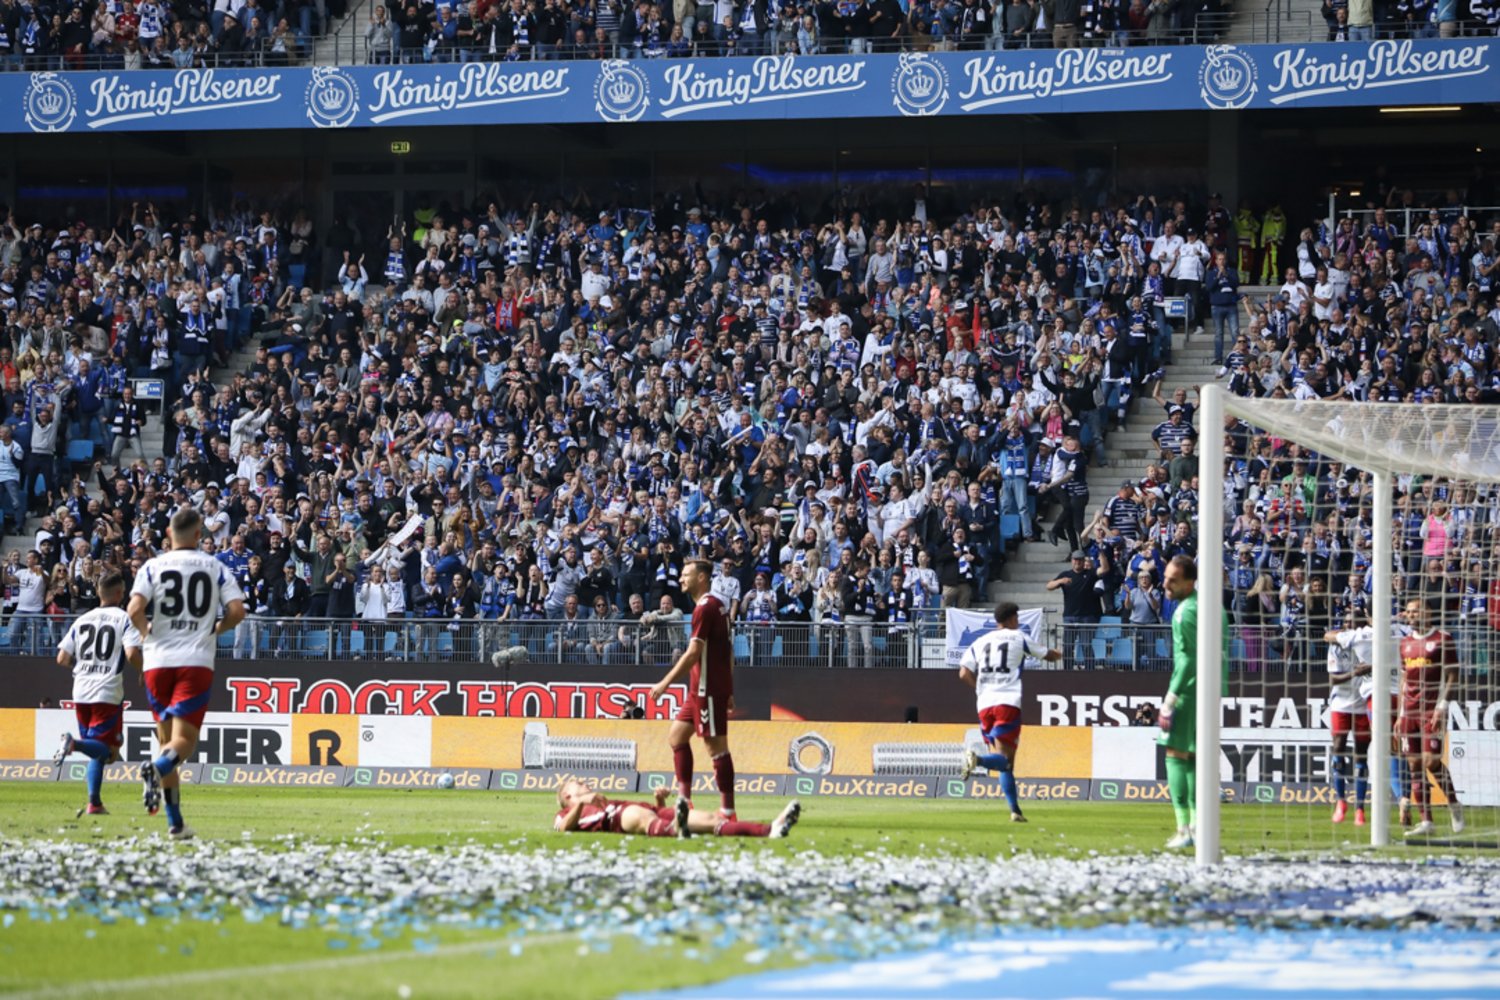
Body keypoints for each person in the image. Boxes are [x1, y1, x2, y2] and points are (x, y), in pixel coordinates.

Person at [127, 507, 246, 839]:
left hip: (156, 661)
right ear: (199, 535)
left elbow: (134, 609)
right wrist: (215, 629)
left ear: (168, 533)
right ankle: (156, 769)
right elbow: (237, 611)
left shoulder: (151, 567)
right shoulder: (214, 566)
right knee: (184, 744)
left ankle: (175, 822)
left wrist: (147, 634)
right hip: (193, 660)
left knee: (167, 742)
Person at [958, 601, 1062, 822]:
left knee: (1005, 762)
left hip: (984, 704)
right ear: (1012, 619)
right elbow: (1047, 655)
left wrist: (980, 688)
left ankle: (1015, 811)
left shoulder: (980, 641)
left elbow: (963, 673)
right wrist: (1058, 654)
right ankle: (977, 760)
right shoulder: (1018, 637)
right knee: (1004, 760)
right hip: (1007, 701)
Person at [650, 558, 737, 818]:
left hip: (706, 689)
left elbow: (692, 653)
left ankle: (728, 811)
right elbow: (728, 652)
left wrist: (664, 683)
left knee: (717, 748)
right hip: (700, 688)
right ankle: (684, 801)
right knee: (677, 737)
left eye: (686, 575)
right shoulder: (717, 605)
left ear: (701, 577)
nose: (681, 579)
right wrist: (730, 689)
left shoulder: (705, 609)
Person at [53, 571, 143, 817]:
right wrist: (143, 671)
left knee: (102, 751)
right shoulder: (124, 619)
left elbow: (62, 658)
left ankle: (94, 802)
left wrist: (84, 668)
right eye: (123, 591)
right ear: (117, 593)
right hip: (107, 691)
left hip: (80, 690)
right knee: (105, 751)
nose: (124, 595)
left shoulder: (82, 619)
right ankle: (73, 744)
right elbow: (133, 653)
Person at [1155, 555, 1227, 850]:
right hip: (1212, 690)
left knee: (1174, 753)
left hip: (1188, 691)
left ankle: (1184, 827)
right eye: (1166, 578)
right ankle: (1199, 825)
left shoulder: (1185, 612)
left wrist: (1169, 699)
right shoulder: (1215, 608)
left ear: (1189, 581)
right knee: (1196, 757)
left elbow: (1188, 659)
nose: (1166, 584)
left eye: (1173, 580)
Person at [1397, 598, 1464, 837]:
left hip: (1431, 709)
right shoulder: (1404, 643)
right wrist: (1400, 713)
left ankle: (1454, 804)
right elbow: (1404, 678)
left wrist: (1442, 706)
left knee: (1431, 762)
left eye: (1416, 611)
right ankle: (1427, 821)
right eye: (1409, 612)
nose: (1412, 615)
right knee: (1414, 764)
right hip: (1409, 712)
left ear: (1427, 612)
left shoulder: (1442, 639)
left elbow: (1453, 674)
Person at [553, 779, 800, 840]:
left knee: (712, 818)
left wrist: (659, 801)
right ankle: (675, 828)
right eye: (578, 783)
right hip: (617, 818)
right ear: (567, 795)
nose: (584, 783)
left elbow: (652, 810)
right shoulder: (565, 813)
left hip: (650, 812)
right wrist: (583, 802)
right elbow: (564, 828)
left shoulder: (601, 798)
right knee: (639, 817)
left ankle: (769, 830)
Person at [1323, 611, 1374, 826]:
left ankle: (1360, 809)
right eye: (1345, 622)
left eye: (1353, 623)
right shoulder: (1337, 645)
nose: (1348, 626)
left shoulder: (1370, 643)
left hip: (1363, 704)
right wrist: (1355, 673)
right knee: (1338, 746)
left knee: (1361, 756)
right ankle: (1341, 801)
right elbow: (1333, 678)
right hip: (1340, 703)